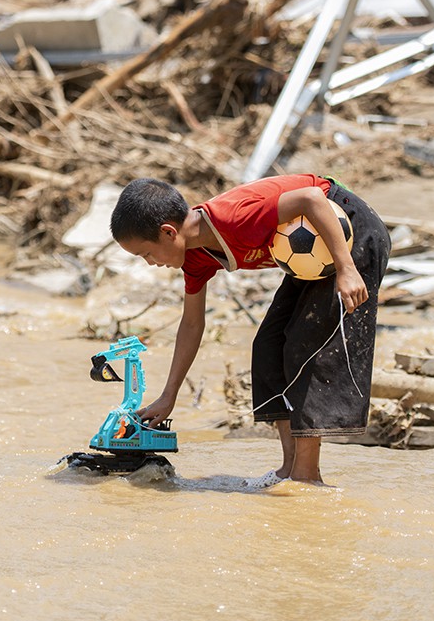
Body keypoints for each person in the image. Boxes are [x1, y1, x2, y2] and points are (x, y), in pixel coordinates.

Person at [110, 174, 391, 486]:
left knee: (307, 347)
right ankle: (288, 469)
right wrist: (169, 395)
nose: (150, 263)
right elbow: (191, 323)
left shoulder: (233, 218)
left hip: (347, 230)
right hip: (316, 258)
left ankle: (306, 477)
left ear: (168, 232)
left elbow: (311, 198)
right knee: (268, 346)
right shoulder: (196, 258)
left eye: (146, 254)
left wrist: (346, 268)